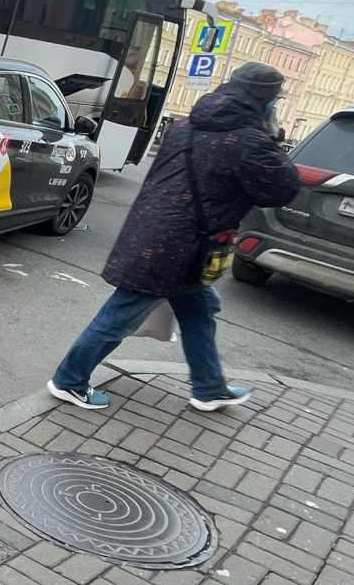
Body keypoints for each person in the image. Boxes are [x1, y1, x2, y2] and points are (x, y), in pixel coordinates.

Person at [48, 62, 300, 412]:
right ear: (266, 101)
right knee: (119, 315)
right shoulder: (250, 141)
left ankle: (209, 387)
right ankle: (69, 380)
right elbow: (282, 189)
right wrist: (273, 137)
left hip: (161, 235)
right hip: (178, 247)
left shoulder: (186, 124)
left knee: (200, 309)